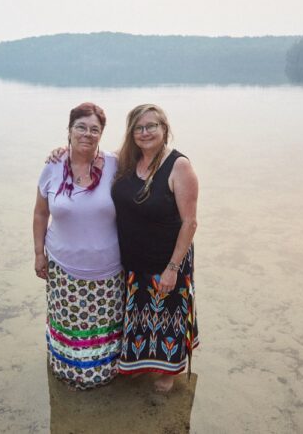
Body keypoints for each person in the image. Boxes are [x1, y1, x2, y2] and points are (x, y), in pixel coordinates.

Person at [33, 102, 125, 390]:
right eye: (81, 127)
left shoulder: (116, 164)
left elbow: (150, 163)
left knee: (103, 327)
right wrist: (39, 254)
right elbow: (40, 213)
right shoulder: (52, 166)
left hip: (108, 271)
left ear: (102, 134)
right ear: (69, 130)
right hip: (63, 268)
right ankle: (68, 372)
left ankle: (103, 375)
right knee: (69, 325)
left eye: (94, 129)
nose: (87, 133)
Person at [111, 104, 199, 393]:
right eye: (139, 127)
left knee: (168, 316)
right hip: (134, 259)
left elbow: (189, 223)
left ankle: (168, 371)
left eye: (152, 126)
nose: (145, 132)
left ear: (165, 129)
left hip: (167, 259)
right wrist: (62, 152)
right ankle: (139, 363)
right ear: (131, 133)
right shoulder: (125, 161)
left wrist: (173, 268)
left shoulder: (178, 166)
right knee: (139, 314)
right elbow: (89, 156)